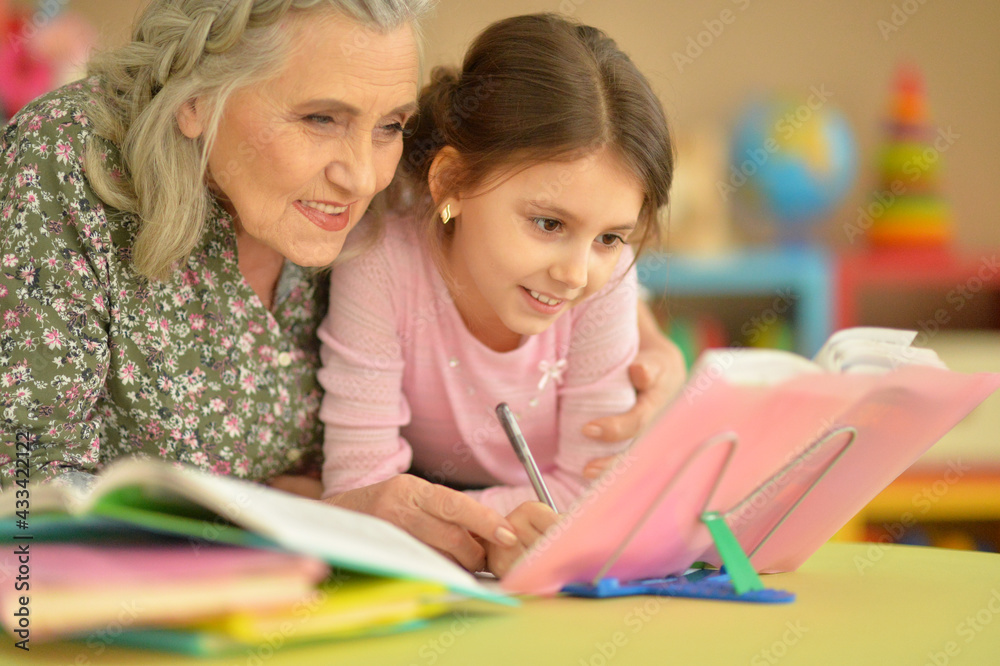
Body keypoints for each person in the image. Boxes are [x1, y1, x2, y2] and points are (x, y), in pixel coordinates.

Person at [0, 0, 682, 570]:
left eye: (390, 126)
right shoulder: (69, 160)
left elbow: (531, 213)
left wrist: (635, 324)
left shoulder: (381, 197)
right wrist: (301, 520)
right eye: (320, 118)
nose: (361, 177)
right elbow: (28, 507)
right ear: (197, 98)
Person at [318, 13, 675, 575]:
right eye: (549, 224)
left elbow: (600, 497)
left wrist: (460, 526)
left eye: (609, 237)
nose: (577, 275)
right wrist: (508, 526)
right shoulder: (378, 262)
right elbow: (362, 494)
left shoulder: (607, 286)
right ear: (452, 183)